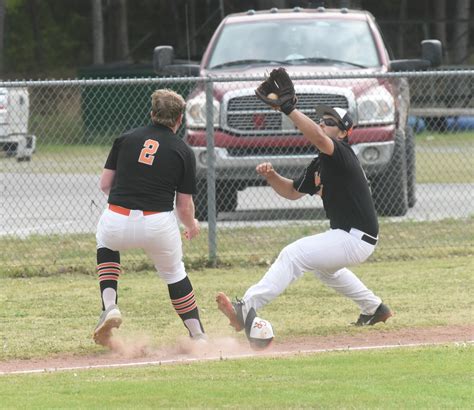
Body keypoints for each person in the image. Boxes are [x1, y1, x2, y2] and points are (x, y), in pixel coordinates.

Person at [216, 68, 392, 347]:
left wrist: (288, 109)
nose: (323, 125)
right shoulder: (320, 162)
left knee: (293, 254)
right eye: (322, 120)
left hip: (355, 237)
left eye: (331, 122)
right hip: (351, 237)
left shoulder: (341, 153)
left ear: (346, 132)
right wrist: (272, 175)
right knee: (326, 270)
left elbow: (319, 139)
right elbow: (292, 192)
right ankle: (374, 308)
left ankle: (245, 307)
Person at [93, 88, 205, 346]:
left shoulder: (125, 138)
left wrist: (125, 198)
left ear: (152, 114)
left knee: (106, 244)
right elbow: (184, 206)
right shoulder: (183, 151)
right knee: (174, 273)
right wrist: (192, 225)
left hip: (117, 217)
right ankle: (197, 334)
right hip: (157, 223)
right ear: (179, 120)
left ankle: (110, 306)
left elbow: (104, 184)